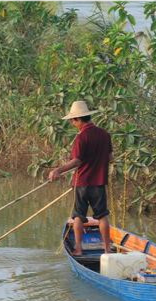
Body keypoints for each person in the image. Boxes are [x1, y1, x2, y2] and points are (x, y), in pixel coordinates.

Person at [48, 101, 113, 255]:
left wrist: (58, 170)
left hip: (82, 183)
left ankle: (78, 249)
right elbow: (110, 157)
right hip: (99, 183)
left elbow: (77, 161)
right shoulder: (104, 134)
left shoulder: (81, 137)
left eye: (72, 120)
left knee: (78, 216)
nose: (72, 123)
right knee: (102, 216)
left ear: (78, 119)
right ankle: (107, 249)